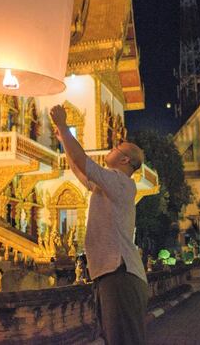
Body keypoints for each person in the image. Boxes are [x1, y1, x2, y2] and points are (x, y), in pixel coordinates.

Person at [50, 105, 148, 345]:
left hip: (120, 273)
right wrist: (64, 138)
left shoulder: (119, 181)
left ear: (125, 159)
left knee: (122, 339)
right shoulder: (109, 185)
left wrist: (64, 125)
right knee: (115, 337)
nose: (112, 147)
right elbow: (79, 169)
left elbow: (84, 162)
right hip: (112, 273)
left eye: (117, 147)